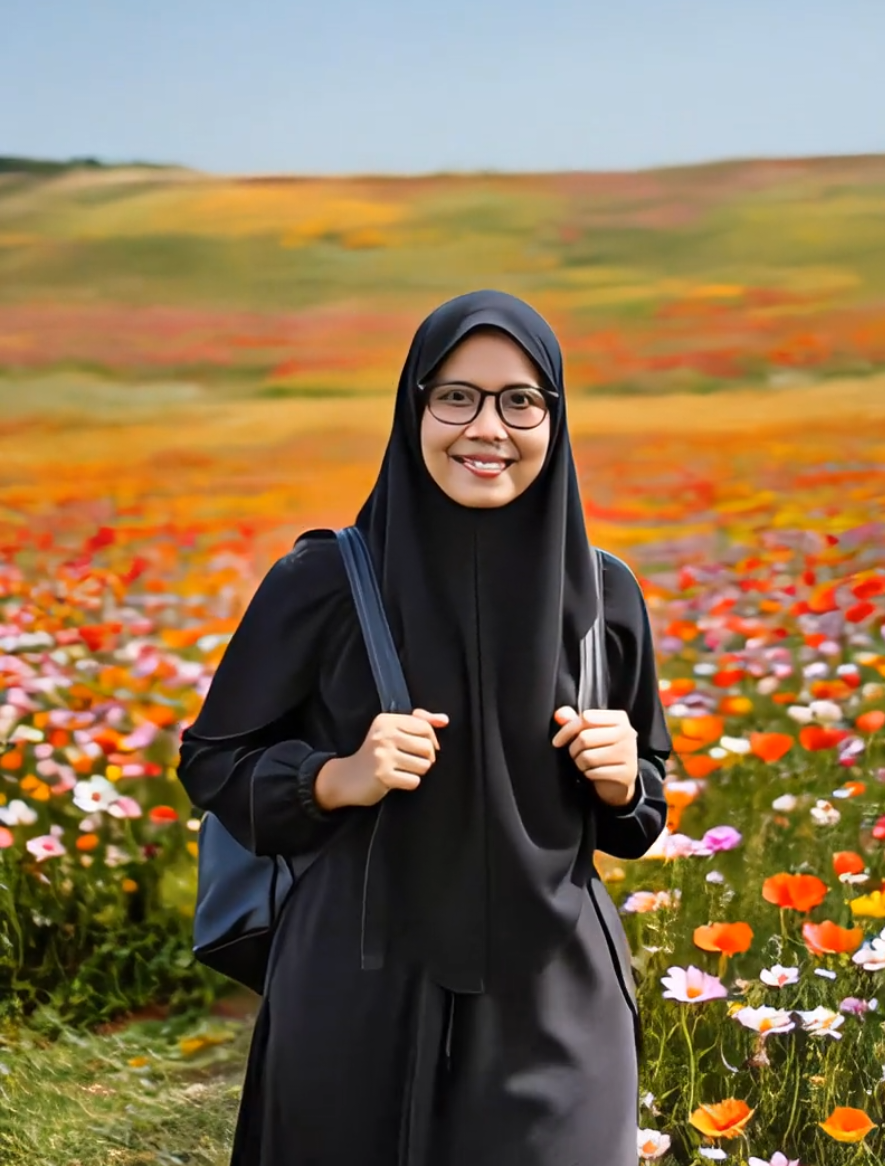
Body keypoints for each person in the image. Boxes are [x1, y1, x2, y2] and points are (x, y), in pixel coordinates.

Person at [177, 289, 672, 1166]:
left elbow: (639, 817)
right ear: (414, 409)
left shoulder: (604, 596)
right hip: (357, 993)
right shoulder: (325, 579)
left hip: (557, 996)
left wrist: (627, 781)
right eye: (456, 397)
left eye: (520, 400)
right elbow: (213, 761)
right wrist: (334, 777)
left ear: (555, 416)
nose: (487, 427)